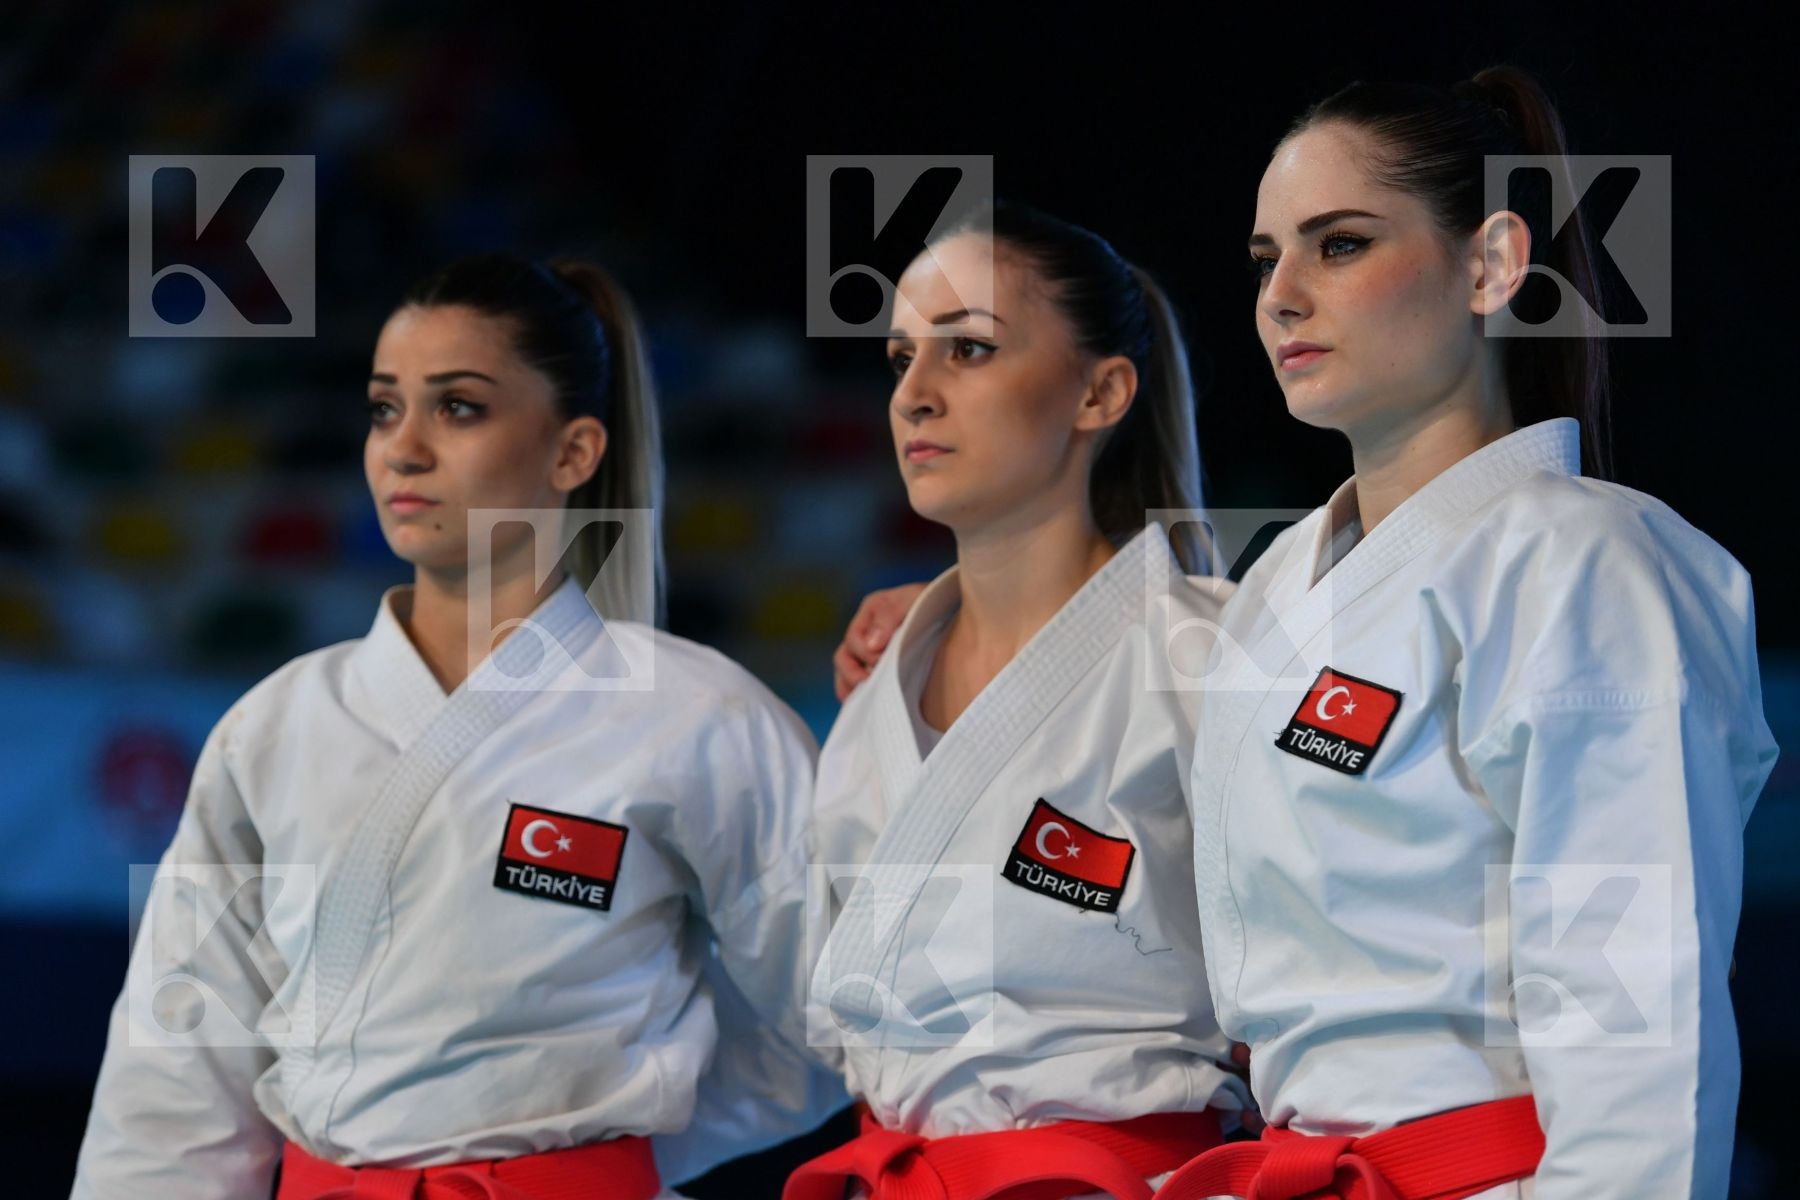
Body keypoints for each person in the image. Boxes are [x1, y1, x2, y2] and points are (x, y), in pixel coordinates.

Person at [839, 69, 1779, 1200]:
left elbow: (1639, 1016)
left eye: (1337, 246)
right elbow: (1118, 726)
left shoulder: (1584, 568)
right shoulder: (1282, 582)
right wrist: (950, 629)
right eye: (1262, 260)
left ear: (1491, 263)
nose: (1281, 295)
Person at [72, 253, 843, 1200]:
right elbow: (178, 1055)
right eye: (386, 407)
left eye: (460, 407)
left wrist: (611, 1142)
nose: (404, 448)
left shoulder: (705, 719)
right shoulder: (275, 725)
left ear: (574, 452)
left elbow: (839, 1016)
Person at [787, 202, 1250, 1200]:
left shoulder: (1211, 654)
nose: (914, 394)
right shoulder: (878, 690)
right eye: (901, 358)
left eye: (969, 350)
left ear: (1101, 392)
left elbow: (1315, 987)